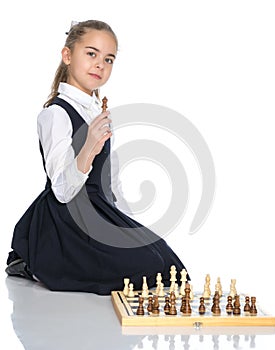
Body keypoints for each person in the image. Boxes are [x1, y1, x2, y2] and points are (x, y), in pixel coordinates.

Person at [6, 20, 189, 295]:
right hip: (67, 218)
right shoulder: (55, 114)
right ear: (67, 55)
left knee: (167, 263)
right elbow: (62, 191)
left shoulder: (97, 112)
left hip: (99, 211)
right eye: (91, 54)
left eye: (109, 59)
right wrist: (89, 146)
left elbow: (110, 185)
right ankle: (36, 259)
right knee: (146, 269)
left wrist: (131, 229)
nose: (100, 65)